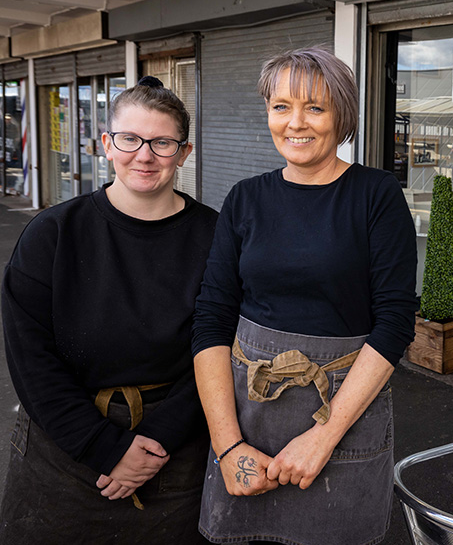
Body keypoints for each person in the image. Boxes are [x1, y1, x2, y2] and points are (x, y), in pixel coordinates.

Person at [192, 46, 416, 545]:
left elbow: (396, 322)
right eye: (281, 106)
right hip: (247, 415)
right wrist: (228, 447)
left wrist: (323, 436)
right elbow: (211, 319)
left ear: (342, 115)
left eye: (315, 107)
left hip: (342, 414)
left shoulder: (376, 195)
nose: (296, 123)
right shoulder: (245, 198)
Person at [0, 76, 218, 542]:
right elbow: (30, 358)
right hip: (64, 446)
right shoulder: (53, 233)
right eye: (130, 139)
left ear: (184, 152)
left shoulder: (216, 237)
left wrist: (156, 440)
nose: (144, 155)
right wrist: (102, 446)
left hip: (174, 448)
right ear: (106, 144)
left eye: (162, 142)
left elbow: (222, 348)